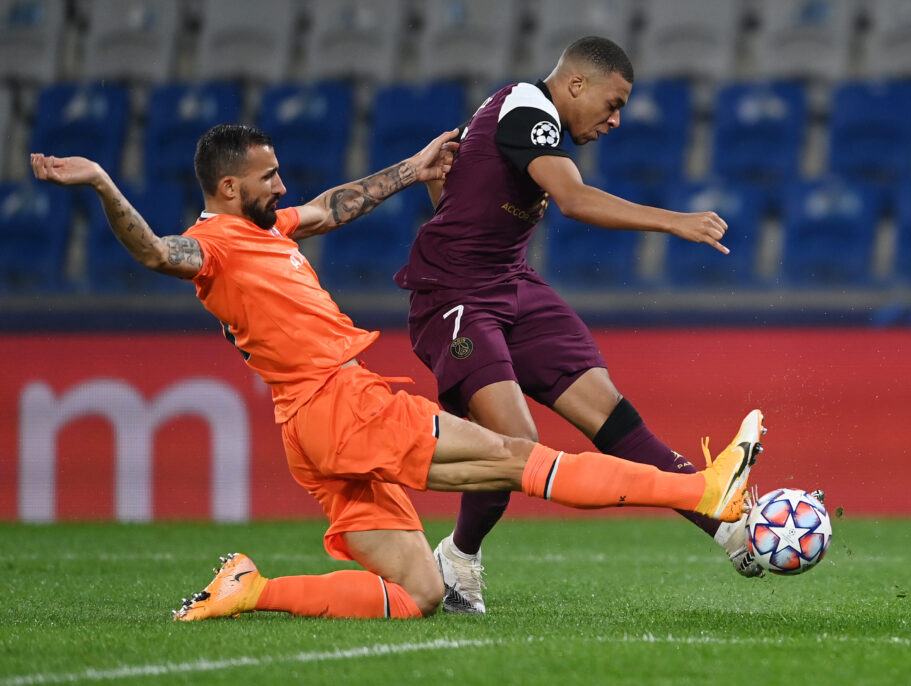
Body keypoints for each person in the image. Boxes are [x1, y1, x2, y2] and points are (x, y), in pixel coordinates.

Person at [30, 124, 765, 622]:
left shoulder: (268, 228)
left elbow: (329, 208)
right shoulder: (210, 245)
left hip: (308, 428)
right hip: (339, 405)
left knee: (417, 592)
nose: (281, 187)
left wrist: (412, 171)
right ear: (227, 188)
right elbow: (158, 253)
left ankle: (249, 590)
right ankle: (699, 491)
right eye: (267, 177)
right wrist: (100, 182)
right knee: (513, 456)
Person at [395, 36, 764, 614]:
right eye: (612, 103)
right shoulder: (528, 111)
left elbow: (453, 180)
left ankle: (723, 524)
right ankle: (457, 558)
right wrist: (675, 222)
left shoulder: (516, 112)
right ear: (575, 84)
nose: (616, 120)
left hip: (511, 283)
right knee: (516, 446)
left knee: (610, 414)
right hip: (455, 293)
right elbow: (573, 199)